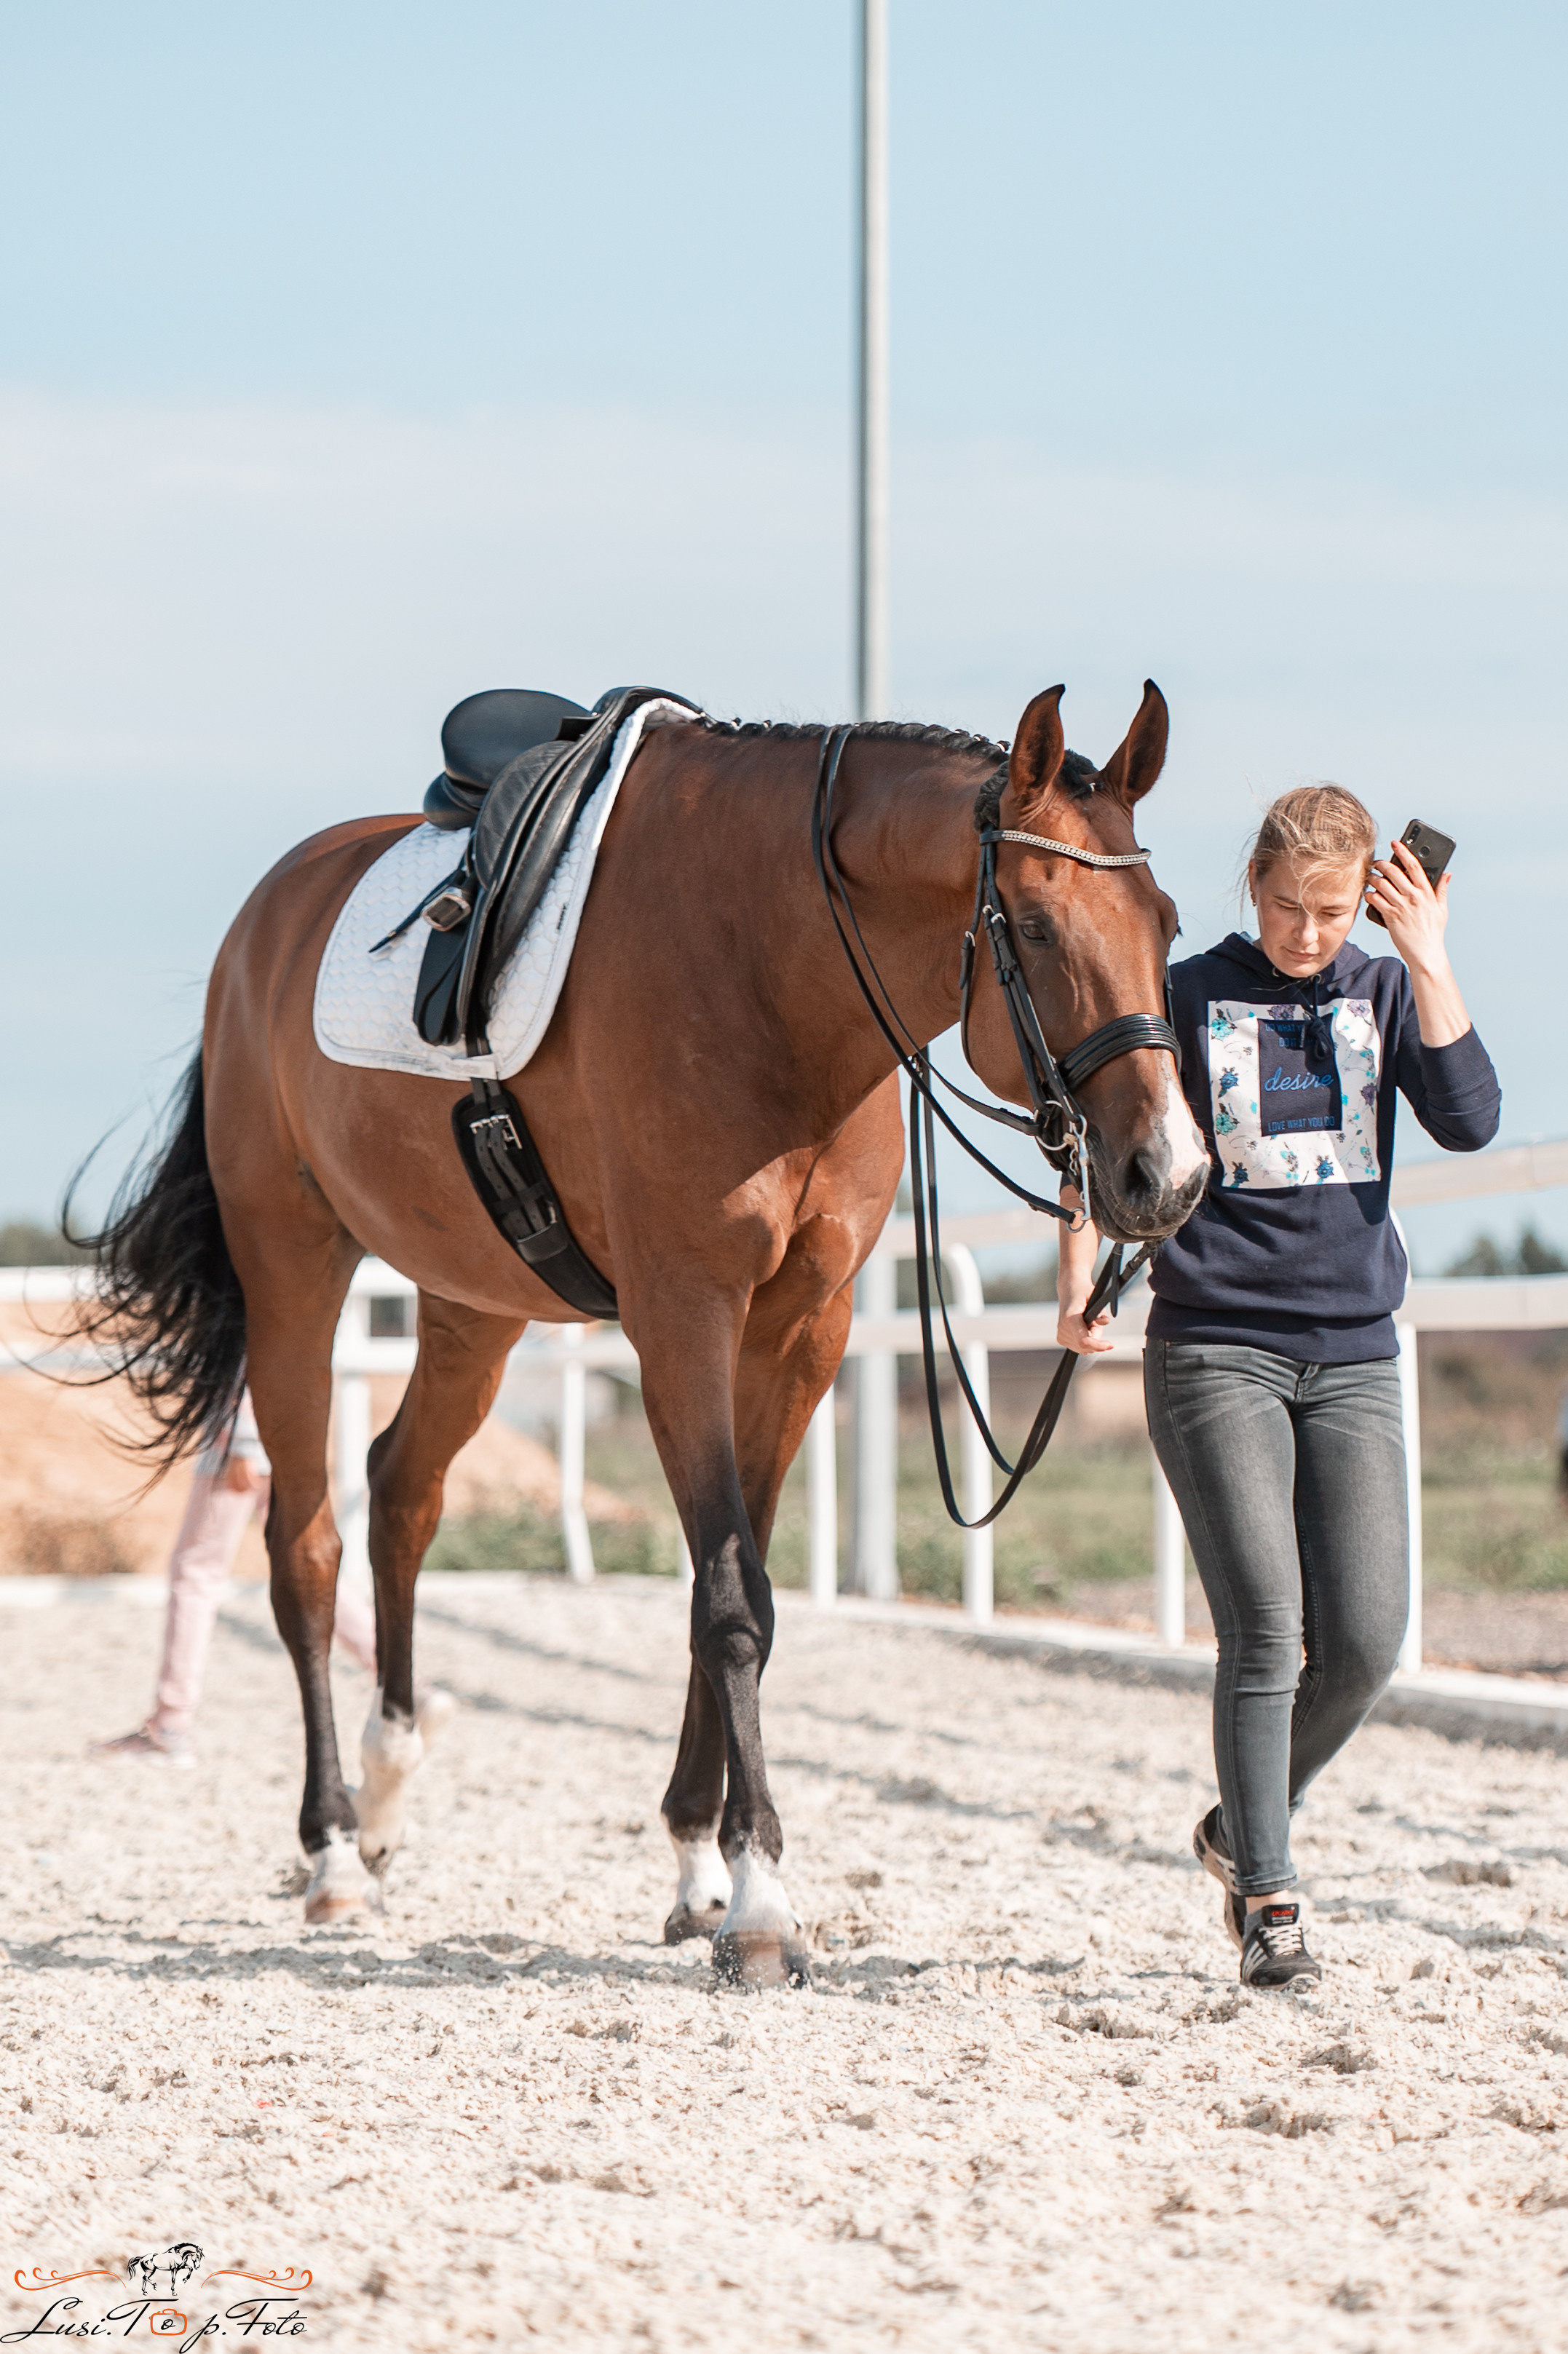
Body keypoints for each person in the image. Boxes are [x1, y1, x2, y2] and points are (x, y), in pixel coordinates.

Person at [1058, 786, 1500, 1986]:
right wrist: (1075, 1281)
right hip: (1215, 1343)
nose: (1305, 932)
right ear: (1249, 883)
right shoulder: (1192, 991)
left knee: (1362, 1637)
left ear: (1363, 894)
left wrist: (1426, 951)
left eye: (1329, 910)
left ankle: (1237, 1824)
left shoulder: (1382, 985)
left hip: (1353, 1347)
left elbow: (1468, 1120)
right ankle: (1268, 1897)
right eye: (1282, 905)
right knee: (1265, 1627)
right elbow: (1097, 1136)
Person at [92, 1386, 446, 1767]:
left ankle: (171, 1727)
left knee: (194, 1574)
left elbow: (250, 1336)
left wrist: (242, 1440)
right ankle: (404, 1685)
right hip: (282, 1433)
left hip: (241, 1437)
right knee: (313, 1575)